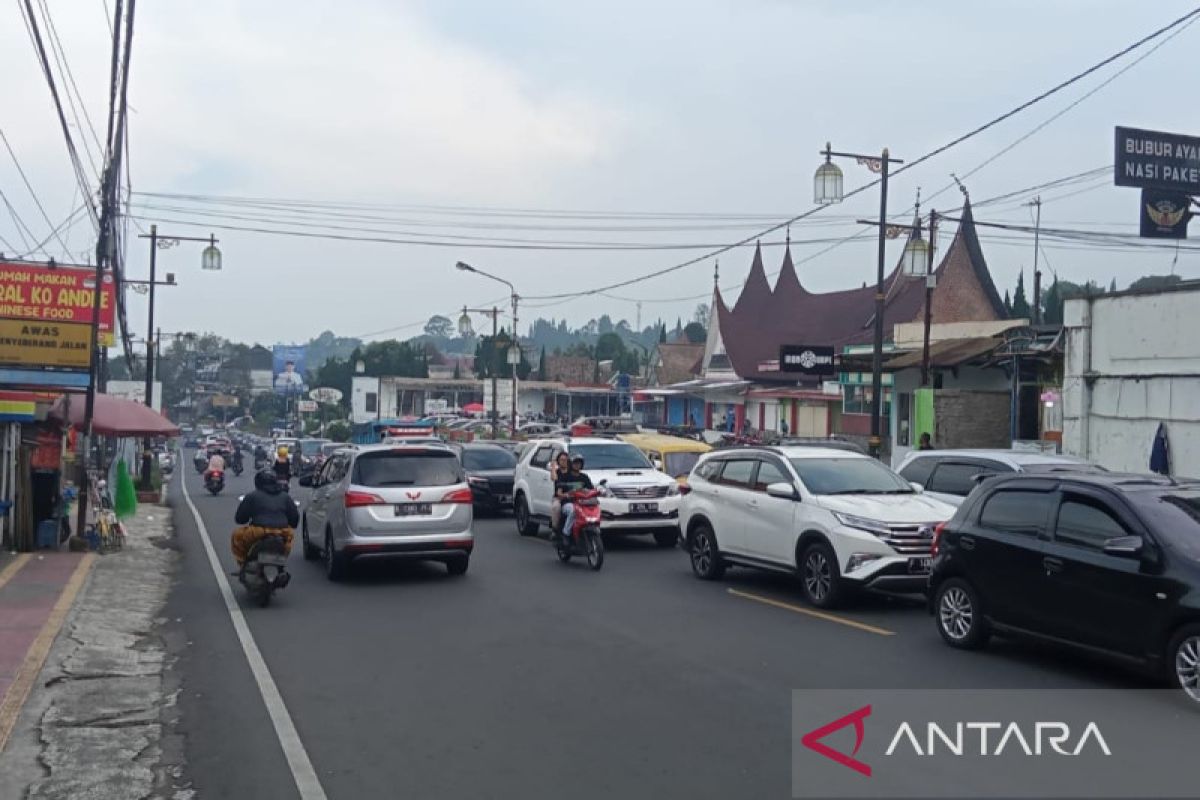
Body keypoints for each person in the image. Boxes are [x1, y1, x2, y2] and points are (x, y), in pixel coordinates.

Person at [231, 469, 299, 566]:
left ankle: (243, 564)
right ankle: (280, 563)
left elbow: (240, 519)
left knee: (237, 535)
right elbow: (294, 520)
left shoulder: (252, 496)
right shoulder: (286, 497)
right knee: (289, 540)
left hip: (258, 532)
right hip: (282, 532)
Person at [556, 455, 594, 543]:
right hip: (568, 503)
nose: (577, 465)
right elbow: (559, 493)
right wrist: (567, 495)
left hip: (583, 503)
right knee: (573, 511)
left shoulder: (584, 477)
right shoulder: (565, 476)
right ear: (570, 464)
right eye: (575, 463)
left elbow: (591, 490)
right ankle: (566, 533)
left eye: (579, 463)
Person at [548, 452, 571, 532]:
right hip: (558, 497)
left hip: (571, 496)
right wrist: (553, 467)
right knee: (556, 507)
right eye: (561, 460)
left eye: (565, 460)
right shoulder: (557, 472)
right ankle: (555, 529)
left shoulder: (571, 472)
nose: (563, 461)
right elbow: (554, 478)